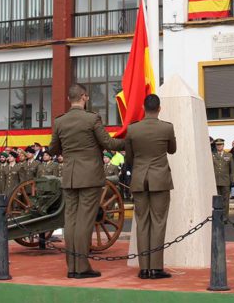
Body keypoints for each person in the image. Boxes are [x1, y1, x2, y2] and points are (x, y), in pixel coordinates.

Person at [49, 83, 125, 279]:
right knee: (85, 222)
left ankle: (72, 266)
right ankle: (81, 267)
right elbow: (108, 143)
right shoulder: (92, 119)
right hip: (90, 176)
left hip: (70, 176)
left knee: (71, 222)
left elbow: (53, 149)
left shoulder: (60, 121)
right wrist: (129, 140)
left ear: (69, 99)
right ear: (85, 97)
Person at [125, 94, 177, 280]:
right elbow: (172, 149)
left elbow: (129, 157)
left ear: (143, 107)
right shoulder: (167, 127)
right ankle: (156, 268)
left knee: (142, 223)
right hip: (159, 179)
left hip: (139, 179)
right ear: (159, 108)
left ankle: (144, 268)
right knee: (158, 222)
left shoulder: (133, 129)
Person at [212, 138, 234, 220]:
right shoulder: (212, 155)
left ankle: (225, 217)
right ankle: (218, 217)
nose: (219, 146)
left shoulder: (229, 155)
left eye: (220, 145)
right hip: (215, 181)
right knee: (216, 200)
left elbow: (232, 169)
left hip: (226, 181)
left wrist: (233, 180)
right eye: (217, 145)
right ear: (215, 146)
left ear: (223, 145)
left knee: (225, 200)